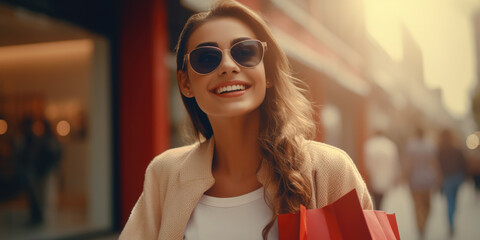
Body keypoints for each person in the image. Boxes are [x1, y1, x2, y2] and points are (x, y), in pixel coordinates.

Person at [120, 1, 372, 239]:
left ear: (268, 73)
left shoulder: (329, 170)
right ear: (186, 83)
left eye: (245, 52)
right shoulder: (165, 173)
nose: (228, 66)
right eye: (206, 58)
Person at [404, 127, 439, 239]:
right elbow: (434, 162)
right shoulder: (430, 145)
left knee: (417, 205)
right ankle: (422, 224)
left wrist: (405, 176)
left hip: (414, 181)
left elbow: (408, 163)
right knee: (427, 205)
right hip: (428, 180)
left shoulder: (410, 146)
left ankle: (420, 224)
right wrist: (438, 177)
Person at [437, 129, 467, 236]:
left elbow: (437, 166)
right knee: (454, 201)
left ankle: (451, 222)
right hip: (457, 178)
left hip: (447, 179)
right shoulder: (457, 149)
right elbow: (463, 163)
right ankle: (452, 220)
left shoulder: (440, 150)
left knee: (449, 202)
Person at [364, 130, 400, 210]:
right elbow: (394, 163)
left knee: (376, 199)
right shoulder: (390, 145)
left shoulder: (370, 145)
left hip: (374, 177)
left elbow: (367, 164)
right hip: (386, 177)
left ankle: (378, 212)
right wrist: (395, 177)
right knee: (381, 199)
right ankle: (379, 213)